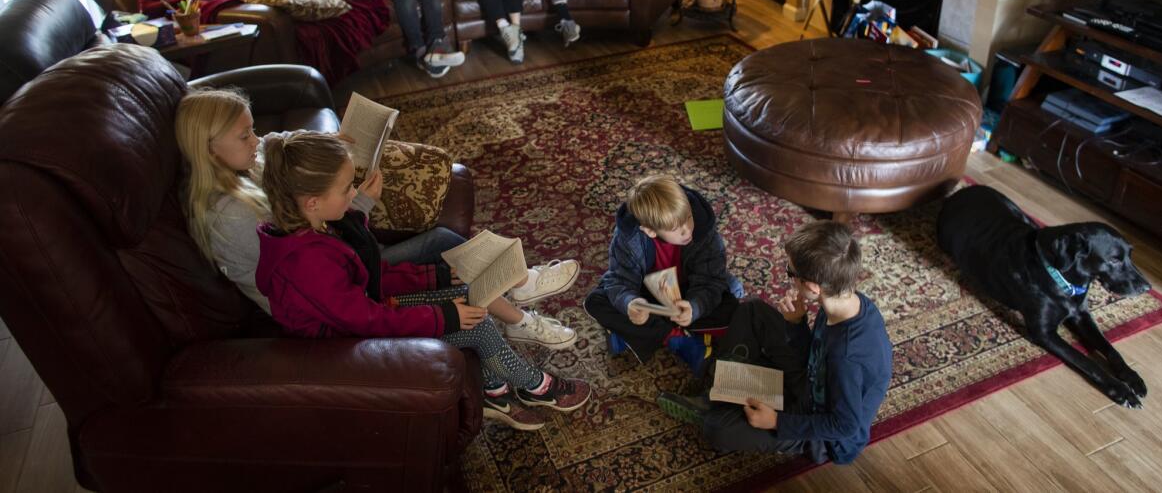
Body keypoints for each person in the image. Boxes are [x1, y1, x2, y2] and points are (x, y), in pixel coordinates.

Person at [175, 88, 580, 353]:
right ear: (211, 150)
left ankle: (520, 287)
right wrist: (363, 206)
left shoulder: (247, 163)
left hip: (338, 257)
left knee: (444, 248)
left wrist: (326, 143)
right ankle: (521, 301)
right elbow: (312, 270)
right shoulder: (232, 217)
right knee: (441, 243)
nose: (255, 139)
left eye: (252, 130)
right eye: (244, 135)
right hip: (333, 280)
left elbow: (275, 143)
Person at [253, 130, 592, 430]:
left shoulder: (323, 227)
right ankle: (535, 386)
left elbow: (371, 278)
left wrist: (438, 274)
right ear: (313, 202)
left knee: (468, 297)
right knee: (476, 322)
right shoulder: (306, 262)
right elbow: (366, 320)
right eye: (346, 189)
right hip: (345, 349)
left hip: (364, 318)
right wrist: (443, 315)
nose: (354, 193)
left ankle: (493, 389)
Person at [656, 221, 893, 464]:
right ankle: (718, 390)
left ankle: (719, 399)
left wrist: (777, 422)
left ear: (812, 287)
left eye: (791, 274)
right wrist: (796, 323)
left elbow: (845, 426)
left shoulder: (846, 357)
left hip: (821, 434)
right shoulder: (843, 301)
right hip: (812, 383)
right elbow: (817, 354)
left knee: (717, 428)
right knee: (753, 311)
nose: (788, 278)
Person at [583, 174, 742, 375]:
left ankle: (629, 335)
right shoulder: (629, 236)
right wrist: (631, 304)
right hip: (648, 295)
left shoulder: (702, 228)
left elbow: (710, 280)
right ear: (649, 231)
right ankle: (678, 340)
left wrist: (694, 307)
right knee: (596, 300)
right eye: (676, 228)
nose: (687, 231)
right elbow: (620, 280)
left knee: (733, 303)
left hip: (687, 293)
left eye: (688, 218)